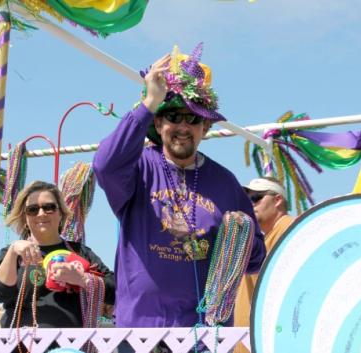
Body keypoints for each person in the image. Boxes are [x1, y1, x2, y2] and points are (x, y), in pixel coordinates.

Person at [93, 44, 266, 328]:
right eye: (173, 116)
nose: (183, 126)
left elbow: (255, 259)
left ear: (205, 129)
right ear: (159, 123)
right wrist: (150, 102)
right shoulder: (139, 168)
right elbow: (104, 165)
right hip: (139, 333)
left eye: (193, 119)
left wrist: (238, 243)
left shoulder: (225, 183)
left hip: (202, 336)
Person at [0, 180, 115, 328]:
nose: (41, 214)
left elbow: (117, 291)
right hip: (22, 345)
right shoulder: (12, 253)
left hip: (71, 346)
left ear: (61, 213)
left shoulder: (80, 252)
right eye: (32, 209)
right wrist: (12, 252)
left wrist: (82, 279)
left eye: (49, 207)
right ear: (25, 218)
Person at [233, 177, 295, 353]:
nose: (251, 204)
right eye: (248, 200)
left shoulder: (289, 229)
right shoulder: (264, 238)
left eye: (256, 198)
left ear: (277, 200)